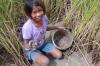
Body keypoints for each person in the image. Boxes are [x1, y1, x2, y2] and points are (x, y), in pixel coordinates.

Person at [22, 0, 64, 66]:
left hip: (42, 43)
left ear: (43, 9)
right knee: (45, 62)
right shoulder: (27, 27)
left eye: (40, 10)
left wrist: (58, 27)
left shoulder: (44, 18)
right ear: (29, 14)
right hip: (32, 49)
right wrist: (30, 44)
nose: (38, 14)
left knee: (59, 55)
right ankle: (33, 58)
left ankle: (41, 54)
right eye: (34, 12)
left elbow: (45, 28)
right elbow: (25, 44)